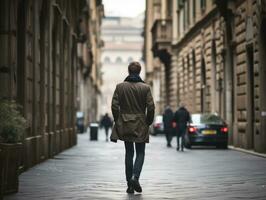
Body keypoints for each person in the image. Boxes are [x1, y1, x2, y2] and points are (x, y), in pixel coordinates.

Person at [110, 61, 155, 194]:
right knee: (140, 152)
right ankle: (135, 177)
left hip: (124, 122)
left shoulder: (120, 87)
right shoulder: (145, 88)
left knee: (129, 153)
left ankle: (130, 184)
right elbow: (151, 107)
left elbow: (114, 106)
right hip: (141, 123)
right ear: (139, 71)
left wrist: (118, 119)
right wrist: (148, 121)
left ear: (129, 71)